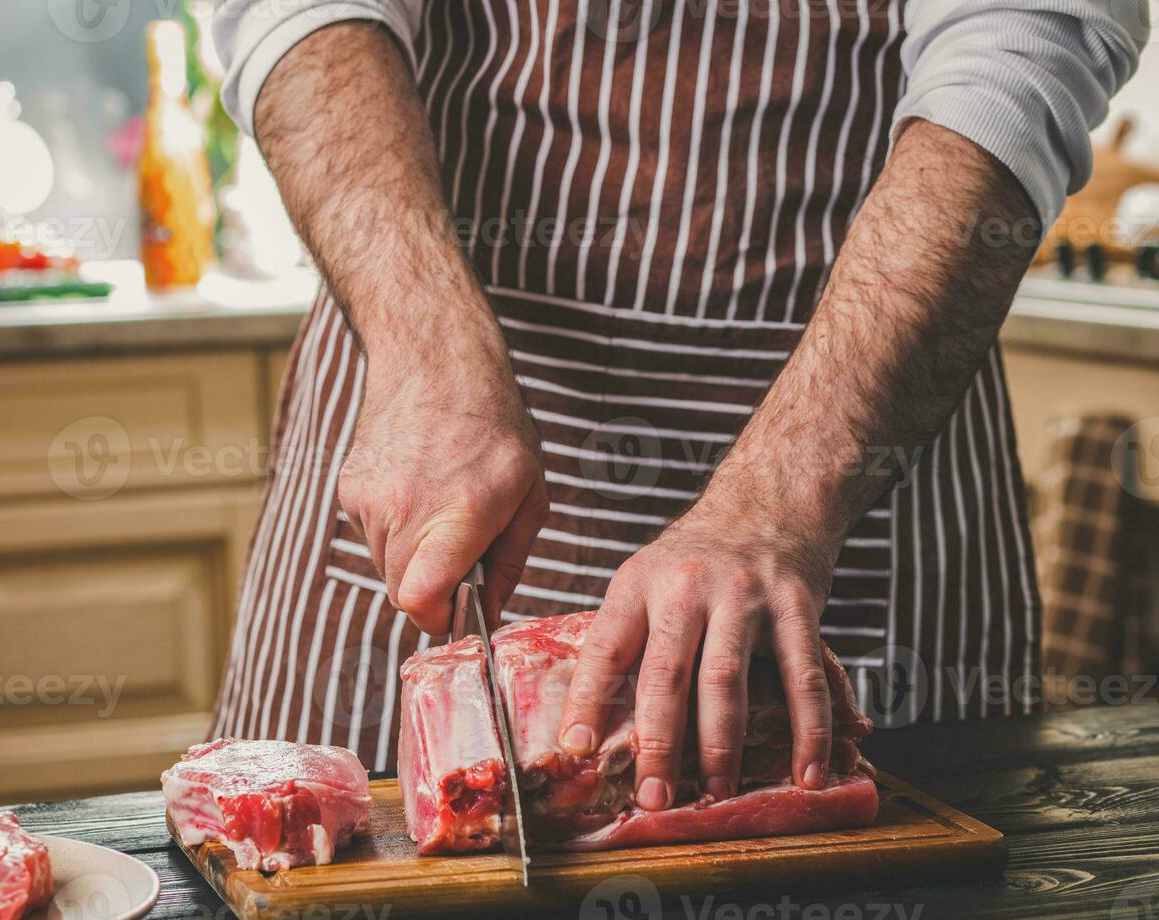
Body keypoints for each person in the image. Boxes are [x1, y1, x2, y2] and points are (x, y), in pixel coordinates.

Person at [206, 0, 1149, 811]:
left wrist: (785, 497)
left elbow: (1021, 40)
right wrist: (424, 349)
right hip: (429, 404)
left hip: (862, 448)